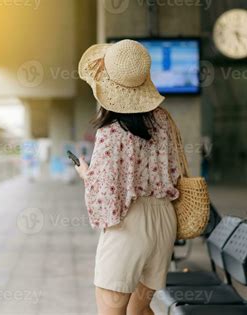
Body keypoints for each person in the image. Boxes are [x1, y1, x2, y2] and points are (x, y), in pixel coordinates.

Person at [75, 40, 181, 315]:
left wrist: (87, 176)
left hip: (131, 225)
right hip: (163, 221)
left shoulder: (111, 132)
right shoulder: (164, 120)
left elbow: (107, 200)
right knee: (140, 309)